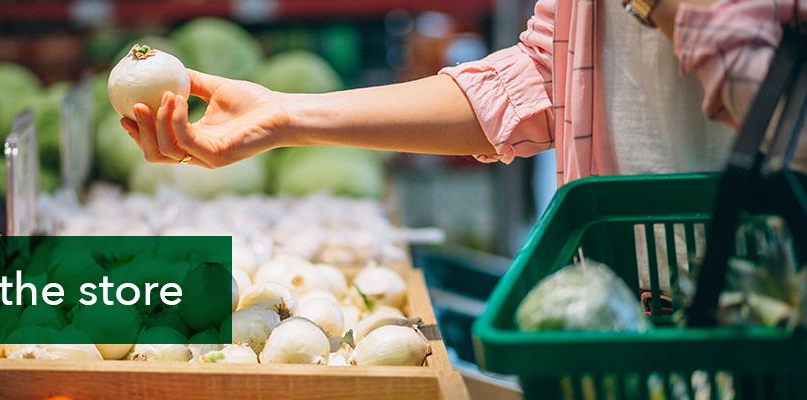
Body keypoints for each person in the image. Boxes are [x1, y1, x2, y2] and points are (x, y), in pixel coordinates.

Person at [119, 0, 805, 311]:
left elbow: (782, 109)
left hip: (777, 309)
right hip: (629, 310)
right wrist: (287, 115)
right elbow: (544, 79)